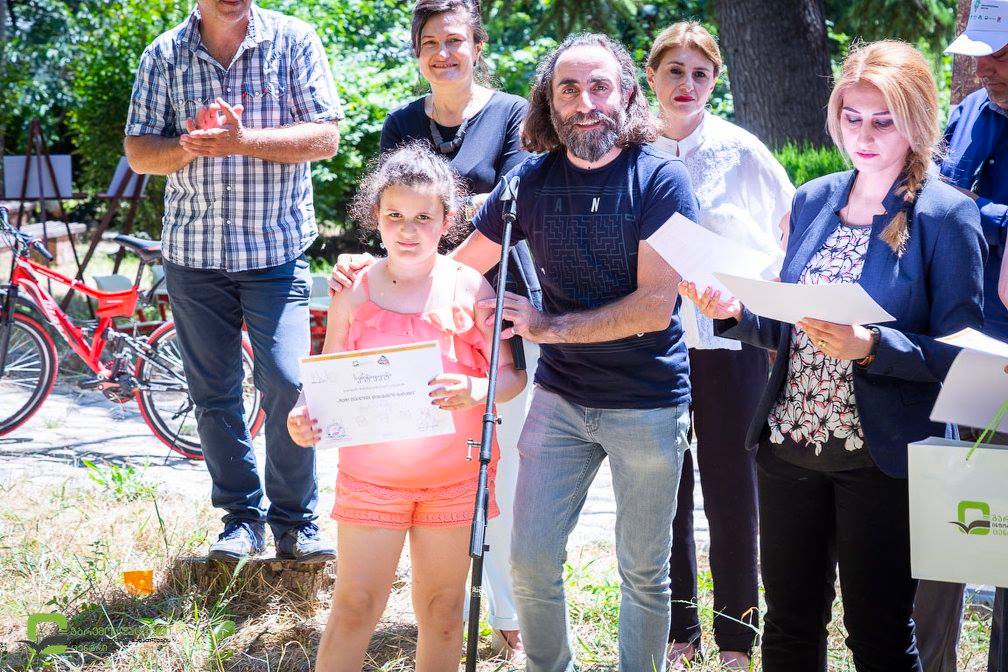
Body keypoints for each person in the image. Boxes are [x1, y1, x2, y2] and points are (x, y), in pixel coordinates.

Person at [330, 32, 699, 672]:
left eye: (600, 87)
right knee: (529, 560)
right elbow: (452, 264)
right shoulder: (529, 181)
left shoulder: (661, 180)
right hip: (561, 400)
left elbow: (653, 307)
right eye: (568, 89)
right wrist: (379, 267)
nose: (586, 103)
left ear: (627, 95)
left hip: (647, 402)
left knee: (643, 569)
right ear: (549, 103)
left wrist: (545, 327)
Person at [682, 40, 985, 672]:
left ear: (917, 121)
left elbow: (966, 360)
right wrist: (735, 312)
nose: (864, 136)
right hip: (789, 443)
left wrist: (872, 347)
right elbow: (793, 326)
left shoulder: (946, 215)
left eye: (883, 122)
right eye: (853, 118)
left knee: (878, 635)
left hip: (882, 457)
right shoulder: (814, 199)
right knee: (788, 628)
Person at [344, 0, 537, 655]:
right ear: (418, 51)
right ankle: (432, 601)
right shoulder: (402, 123)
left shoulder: (512, 115)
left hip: (490, 308)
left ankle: (509, 612)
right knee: (425, 457)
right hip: (411, 317)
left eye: (455, 40)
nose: (443, 53)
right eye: (430, 42)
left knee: (501, 464)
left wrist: (440, 279)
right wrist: (400, 281)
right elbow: (391, 211)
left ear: (477, 46)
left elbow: (512, 212)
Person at [288, 143, 526, 672]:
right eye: (395, 215)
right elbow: (325, 375)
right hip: (372, 481)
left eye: (423, 217)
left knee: (442, 612)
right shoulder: (353, 290)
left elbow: (511, 376)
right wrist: (303, 415)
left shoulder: (471, 287)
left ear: (448, 221)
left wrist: (477, 389)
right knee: (355, 606)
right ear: (375, 216)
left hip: (454, 481)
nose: (408, 230)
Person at [124, 0, 343, 561]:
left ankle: (295, 521)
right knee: (213, 393)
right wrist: (186, 146)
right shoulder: (163, 54)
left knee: (288, 382)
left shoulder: (293, 40)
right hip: (193, 255)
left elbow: (325, 138)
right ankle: (241, 520)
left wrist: (243, 140)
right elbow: (140, 151)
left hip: (275, 251)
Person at [644, 21, 794, 670]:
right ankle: (678, 633)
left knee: (735, 493)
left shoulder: (742, 151)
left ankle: (736, 639)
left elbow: (792, 233)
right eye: (674, 71)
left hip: (731, 345)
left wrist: (759, 299)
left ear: (716, 80)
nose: (687, 84)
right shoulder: (631, 151)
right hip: (651, 343)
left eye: (700, 73)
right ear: (651, 75)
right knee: (664, 492)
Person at [914, 3, 1008, 671]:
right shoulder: (971, 111)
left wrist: (975, 211)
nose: (984, 69)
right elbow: (937, 196)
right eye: (979, 55)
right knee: (953, 521)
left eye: (1000, 56)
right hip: (966, 350)